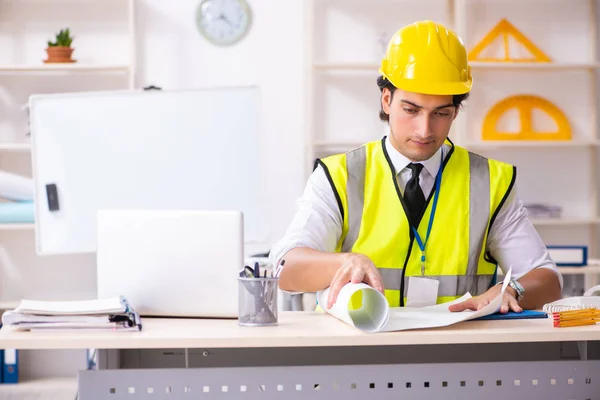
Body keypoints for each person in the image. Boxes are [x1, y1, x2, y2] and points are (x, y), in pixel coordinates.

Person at [270, 20, 562, 313]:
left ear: (456, 111)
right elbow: (285, 268)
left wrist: (511, 289)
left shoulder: (490, 181)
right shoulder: (340, 175)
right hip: (358, 350)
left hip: (458, 351)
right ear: (387, 100)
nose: (425, 130)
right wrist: (343, 262)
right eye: (411, 110)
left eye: (441, 113)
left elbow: (547, 278)